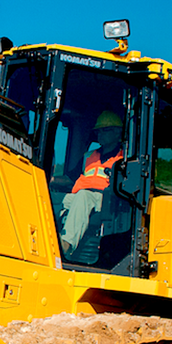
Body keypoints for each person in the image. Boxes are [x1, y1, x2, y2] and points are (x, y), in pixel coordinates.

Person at [60, 111, 124, 259]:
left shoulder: (123, 157)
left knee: (83, 196)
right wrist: (49, 179)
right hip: (80, 195)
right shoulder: (89, 156)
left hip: (105, 199)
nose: (100, 134)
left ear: (117, 132)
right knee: (54, 198)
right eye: (98, 131)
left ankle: (66, 244)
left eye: (105, 130)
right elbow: (70, 179)